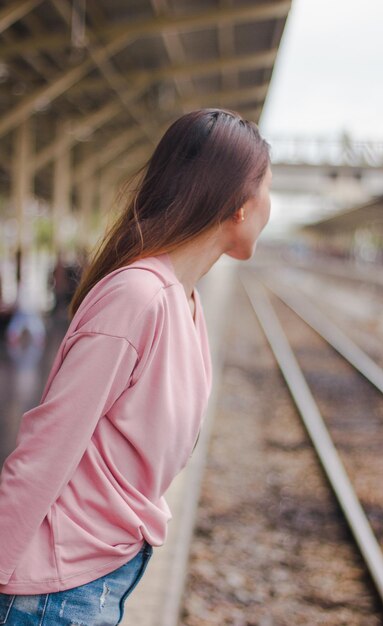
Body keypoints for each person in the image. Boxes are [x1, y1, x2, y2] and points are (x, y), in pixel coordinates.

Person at [0, 108, 272, 625]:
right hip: (56, 591)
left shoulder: (183, 304)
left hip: (103, 572)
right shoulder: (138, 296)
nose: (271, 208)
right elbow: (48, 444)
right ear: (238, 203)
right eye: (269, 190)